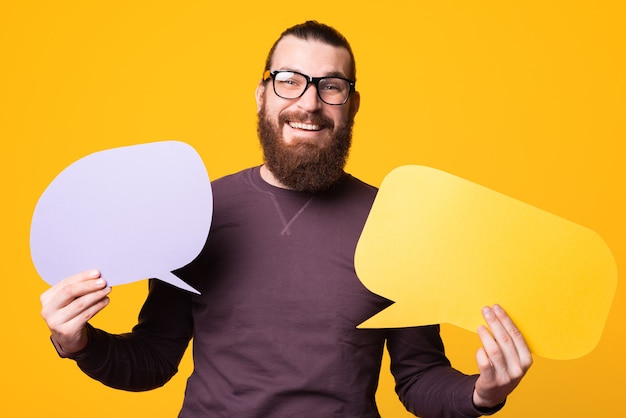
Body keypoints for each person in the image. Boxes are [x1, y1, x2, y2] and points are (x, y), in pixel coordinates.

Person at [40, 21, 532, 418]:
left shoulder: (399, 224)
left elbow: (419, 376)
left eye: (331, 87)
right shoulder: (194, 213)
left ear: (352, 104)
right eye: (290, 82)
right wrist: (76, 341)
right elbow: (152, 360)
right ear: (262, 95)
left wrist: (483, 392)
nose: (309, 103)